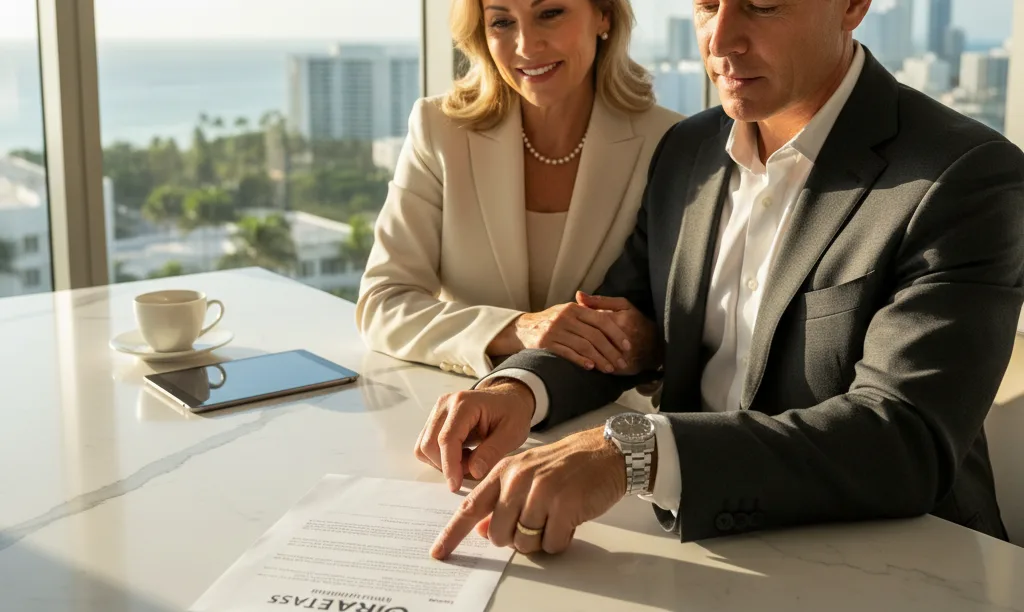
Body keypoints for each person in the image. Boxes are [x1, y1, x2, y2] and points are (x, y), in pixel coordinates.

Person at [417, 0, 1024, 560]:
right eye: (707, 5)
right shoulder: (689, 146)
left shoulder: (964, 176)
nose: (722, 39)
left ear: (853, 6)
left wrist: (636, 451)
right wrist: (518, 390)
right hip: (696, 544)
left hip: (898, 563)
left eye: (761, 4)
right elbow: (624, 320)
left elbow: (904, 440)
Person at [356, 0, 681, 382]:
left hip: (605, 425)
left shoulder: (671, 143)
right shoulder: (439, 131)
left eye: (550, 13)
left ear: (604, 15)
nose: (525, 46)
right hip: (459, 413)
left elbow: (696, 327)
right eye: (502, 22)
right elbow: (384, 304)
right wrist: (519, 328)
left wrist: (653, 346)